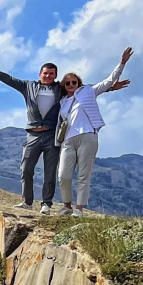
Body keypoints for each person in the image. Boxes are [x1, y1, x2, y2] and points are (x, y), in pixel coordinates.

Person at [0, 56, 65, 211]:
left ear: (55, 75)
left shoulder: (61, 89)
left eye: (51, 73)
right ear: (39, 74)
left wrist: (110, 87)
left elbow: (84, 89)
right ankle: (27, 202)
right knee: (26, 169)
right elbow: (9, 79)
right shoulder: (28, 86)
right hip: (33, 135)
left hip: (51, 134)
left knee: (50, 172)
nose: (48, 76)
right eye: (45, 73)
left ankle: (46, 204)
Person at [55, 48, 134, 216]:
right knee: (63, 175)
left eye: (74, 82)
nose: (71, 85)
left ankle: (79, 209)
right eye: (67, 83)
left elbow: (109, 80)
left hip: (88, 136)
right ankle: (67, 206)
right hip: (68, 139)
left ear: (79, 83)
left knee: (84, 174)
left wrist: (122, 63)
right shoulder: (62, 101)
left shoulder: (88, 91)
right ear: (64, 85)